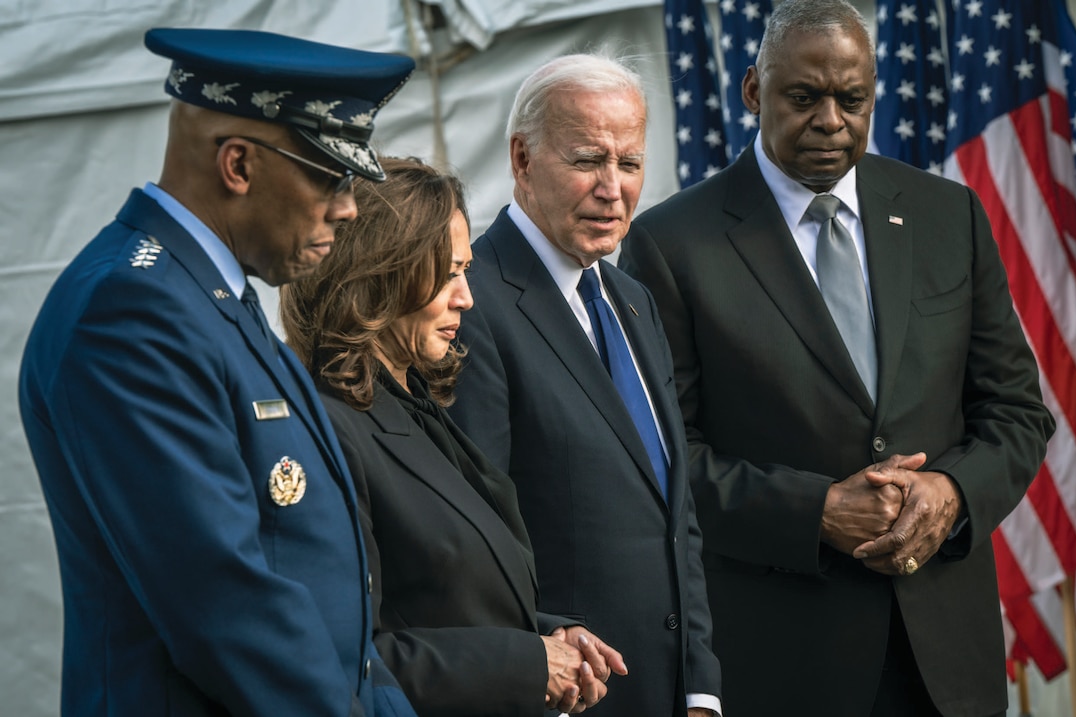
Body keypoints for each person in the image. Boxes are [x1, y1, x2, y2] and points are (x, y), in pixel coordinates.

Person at [619, 0, 1055, 714]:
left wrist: (950, 491)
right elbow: (664, 462)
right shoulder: (671, 246)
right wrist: (815, 510)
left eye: (852, 100)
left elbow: (1016, 413)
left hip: (948, 661)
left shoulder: (951, 216)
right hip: (788, 662)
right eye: (804, 97)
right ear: (754, 90)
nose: (830, 120)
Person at [18, 27, 419, 717]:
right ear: (238, 164)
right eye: (332, 175)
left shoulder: (209, 294)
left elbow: (326, 590)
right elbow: (226, 604)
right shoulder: (132, 310)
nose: (349, 207)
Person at [280, 155, 627, 716]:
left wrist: (547, 639)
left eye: (465, 270)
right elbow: (341, 655)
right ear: (376, 275)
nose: (466, 296)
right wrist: (523, 663)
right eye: (447, 274)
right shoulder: (328, 430)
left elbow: (446, 593)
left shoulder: (415, 403)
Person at [446, 54, 722, 717]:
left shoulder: (632, 299)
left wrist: (700, 685)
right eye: (587, 160)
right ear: (521, 160)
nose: (612, 187)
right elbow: (473, 538)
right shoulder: (468, 304)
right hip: (564, 695)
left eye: (628, 164)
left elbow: (673, 514)